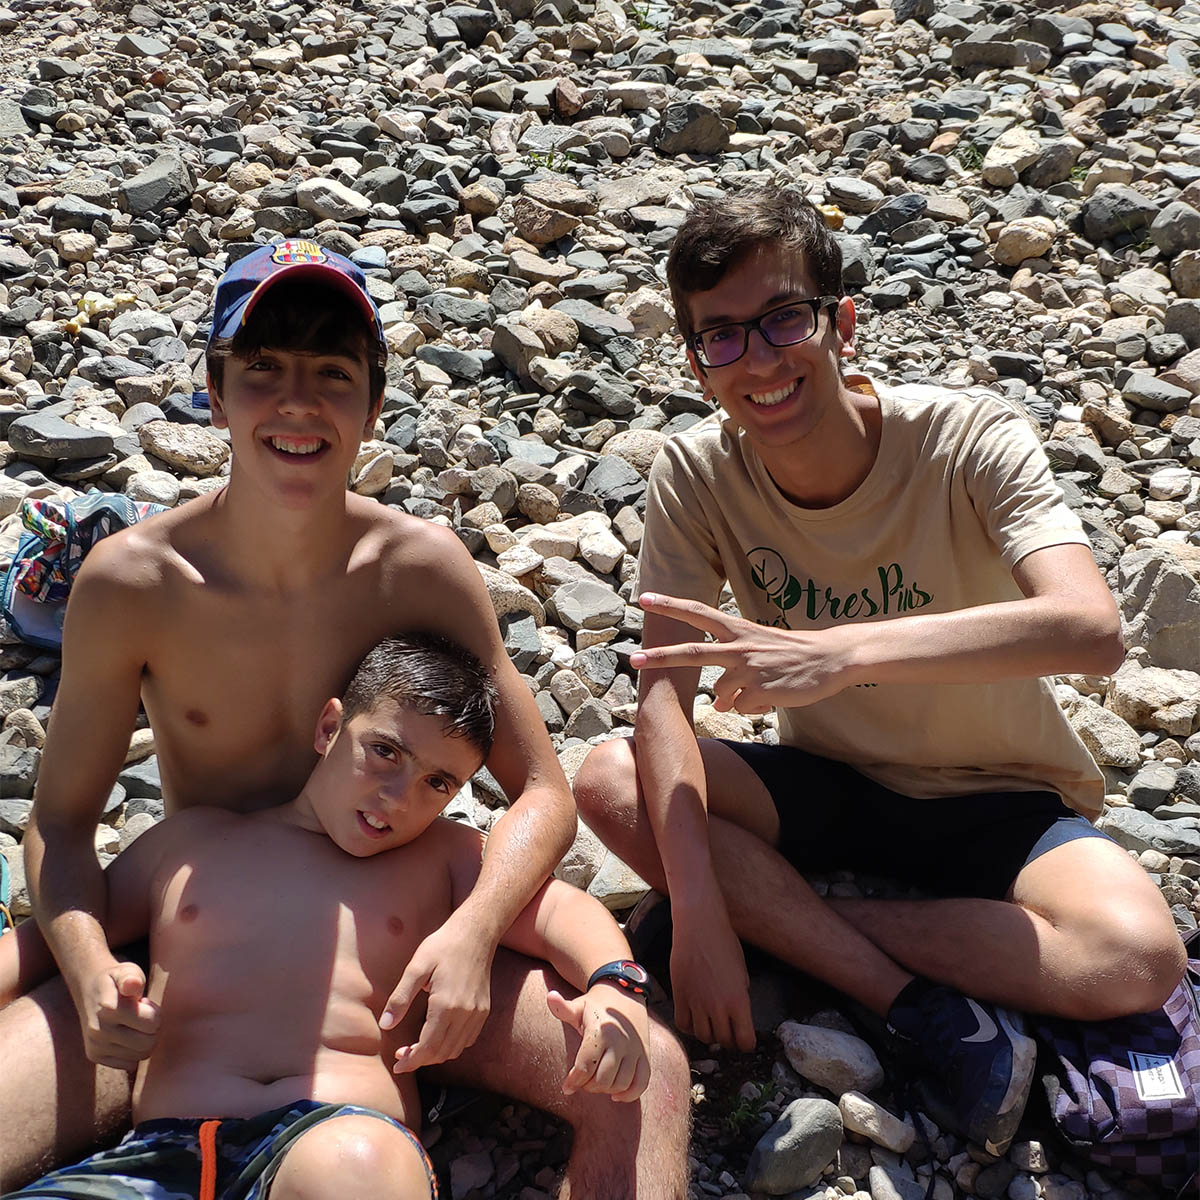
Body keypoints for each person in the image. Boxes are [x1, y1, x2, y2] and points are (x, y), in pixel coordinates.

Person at [0, 239, 689, 1197]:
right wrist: (85, 966)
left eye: (332, 374)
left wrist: (472, 933)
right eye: (262, 370)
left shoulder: (419, 568)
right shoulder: (136, 582)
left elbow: (540, 790)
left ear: (373, 406)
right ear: (214, 393)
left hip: (400, 955)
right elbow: (63, 823)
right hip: (192, 956)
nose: (297, 404)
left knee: (644, 1075)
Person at [572, 185, 1187, 1155]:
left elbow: (1090, 629)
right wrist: (699, 914)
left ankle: (795, 926)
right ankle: (916, 1006)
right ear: (696, 363)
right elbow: (662, 704)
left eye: (784, 319)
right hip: (839, 786)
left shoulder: (965, 436)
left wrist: (837, 654)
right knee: (611, 780)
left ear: (843, 322)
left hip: (1001, 794)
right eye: (721, 336)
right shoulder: (695, 475)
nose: (758, 360)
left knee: (1138, 957)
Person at [3, 633, 655, 1200]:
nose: (397, 797)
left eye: (437, 783)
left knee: (356, 1167)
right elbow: (55, 936)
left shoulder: (441, 859)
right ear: (328, 728)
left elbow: (564, 911)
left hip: (337, 1134)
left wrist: (614, 986)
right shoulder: (193, 844)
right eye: (386, 751)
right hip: (161, 1152)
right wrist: (93, 977)